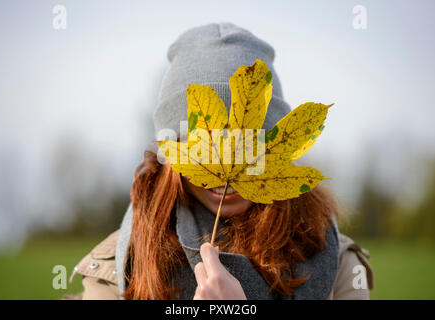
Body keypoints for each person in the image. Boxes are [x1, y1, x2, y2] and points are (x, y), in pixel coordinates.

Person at [68, 22, 374, 300]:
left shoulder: (337, 262)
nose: (224, 172)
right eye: (205, 149)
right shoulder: (119, 265)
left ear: (276, 153)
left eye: (245, 148)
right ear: (173, 155)